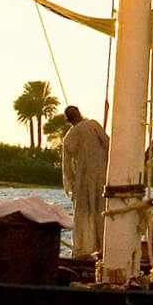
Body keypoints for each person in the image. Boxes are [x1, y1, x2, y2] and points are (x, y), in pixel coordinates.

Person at [58, 105, 109, 259]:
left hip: (83, 180)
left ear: (68, 120)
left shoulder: (69, 137)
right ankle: (103, 247)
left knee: (84, 214)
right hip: (101, 177)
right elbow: (108, 145)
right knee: (101, 210)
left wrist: (72, 185)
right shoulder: (93, 126)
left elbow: (67, 168)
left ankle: (83, 250)